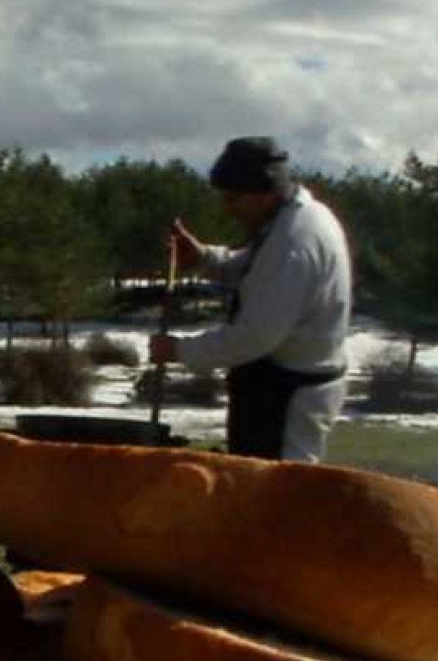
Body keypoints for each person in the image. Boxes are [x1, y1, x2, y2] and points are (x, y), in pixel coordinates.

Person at [149, 136, 352, 462]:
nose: (228, 208)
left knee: (277, 496)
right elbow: (254, 269)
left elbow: (254, 336)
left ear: (265, 192)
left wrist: (179, 350)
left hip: (287, 399)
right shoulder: (295, 219)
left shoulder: (293, 243)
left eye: (234, 198)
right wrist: (203, 258)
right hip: (278, 387)